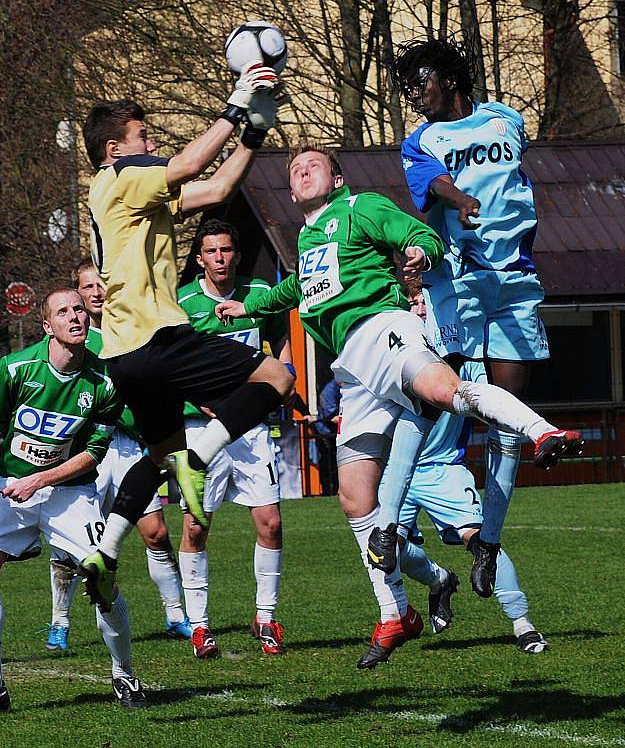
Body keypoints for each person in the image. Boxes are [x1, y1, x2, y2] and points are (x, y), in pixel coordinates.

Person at [216, 145, 581, 668]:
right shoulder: (308, 236)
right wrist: (245, 305)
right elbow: (299, 288)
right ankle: (400, 611)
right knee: (354, 500)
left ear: (336, 178)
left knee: (443, 389)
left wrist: (420, 252)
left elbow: (420, 234)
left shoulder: (360, 207)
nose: (300, 170)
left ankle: (540, 431)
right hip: (353, 369)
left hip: (384, 331)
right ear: (292, 192)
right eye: (294, 170)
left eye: (312, 163)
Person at [78, 67, 295, 614]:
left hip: (125, 356)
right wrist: (236, 102)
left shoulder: (127, 197)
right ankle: (204, 450)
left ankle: (105, 551)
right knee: (277, 376)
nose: (150, 145)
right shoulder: (122, 176)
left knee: (158, 455)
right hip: (160, 337)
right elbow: (192, 163)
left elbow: (219, 187)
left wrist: (256, 130)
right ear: (114, 148)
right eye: (142, 136)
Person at [393, 37, 560, 598]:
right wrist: (459, 199)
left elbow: (519, 182)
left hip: (515, 282)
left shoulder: (508, 120)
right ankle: (391, 523)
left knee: (510, 423)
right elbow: (431, 183)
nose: (414, 95)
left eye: (420, 82)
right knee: (438, 392)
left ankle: (487, 541)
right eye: (407, 88)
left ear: (448, 77)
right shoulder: (421, 141)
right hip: (458, 281)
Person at [0, 288, 146, 715]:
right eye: (63, 312)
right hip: (11, 486)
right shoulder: (15, 368)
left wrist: (40, 479)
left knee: (103, 582)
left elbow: (94, 452)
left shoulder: (103, 381)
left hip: (70, 493)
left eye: (79, 309)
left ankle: (123, 673)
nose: (75, 317)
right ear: (47, 326)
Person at [43, 260, 190, 653]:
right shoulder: (71, 340)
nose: (94, 293)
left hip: (126, 446)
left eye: (99, 284)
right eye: (86, 287)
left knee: (156, 531)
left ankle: (176, 613)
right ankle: (60, 622)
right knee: (71, 546)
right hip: (86, 450)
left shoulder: (129, 329)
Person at [390, 287, 548, 653]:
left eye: (423, 301)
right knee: (386, 552)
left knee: (481, 543)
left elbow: (497, 405)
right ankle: (439, 581)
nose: (419, 309)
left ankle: (522, 622)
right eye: (412, 302)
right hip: (396, 472)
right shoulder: (393, 355)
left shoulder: (466, 363)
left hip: (440, 468)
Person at [176, 219, 292, 657]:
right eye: (212, 252)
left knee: (271, 522)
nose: (220, 259)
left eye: (227, 250)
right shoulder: (183, 303)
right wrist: (196, 395)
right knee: (195, 525)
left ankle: (265, 616)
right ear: (201, 258)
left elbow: (280, 344)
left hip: (252, 427)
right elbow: (170, 363)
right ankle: (200, 626)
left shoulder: (259, 294)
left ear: (236, 255)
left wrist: (285, 381)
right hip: (201, 429)